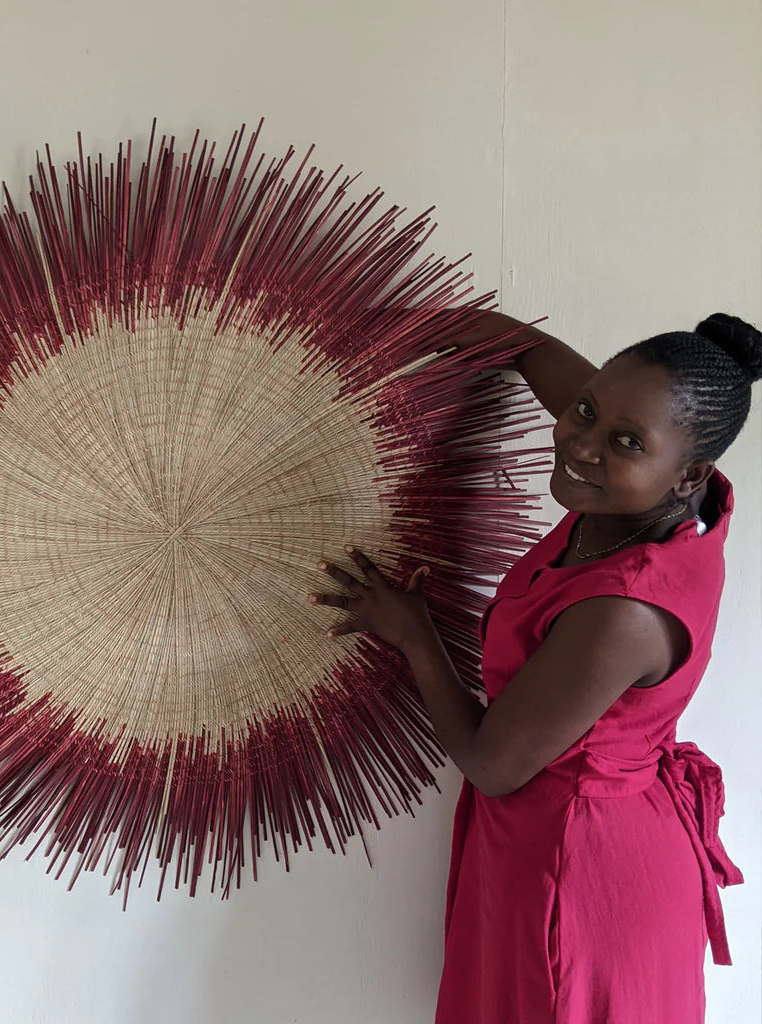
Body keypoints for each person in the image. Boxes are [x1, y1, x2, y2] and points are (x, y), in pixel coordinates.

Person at [308, 311, 760, 1023]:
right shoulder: (650, 481)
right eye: (586, 409)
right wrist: (376, 325)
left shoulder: (625, 612)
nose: (580, 443)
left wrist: (414, 633)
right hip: (573, 837)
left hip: (581, 874)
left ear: (690, 474)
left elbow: (493, 762)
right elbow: (525, 345)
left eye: (623, 440)